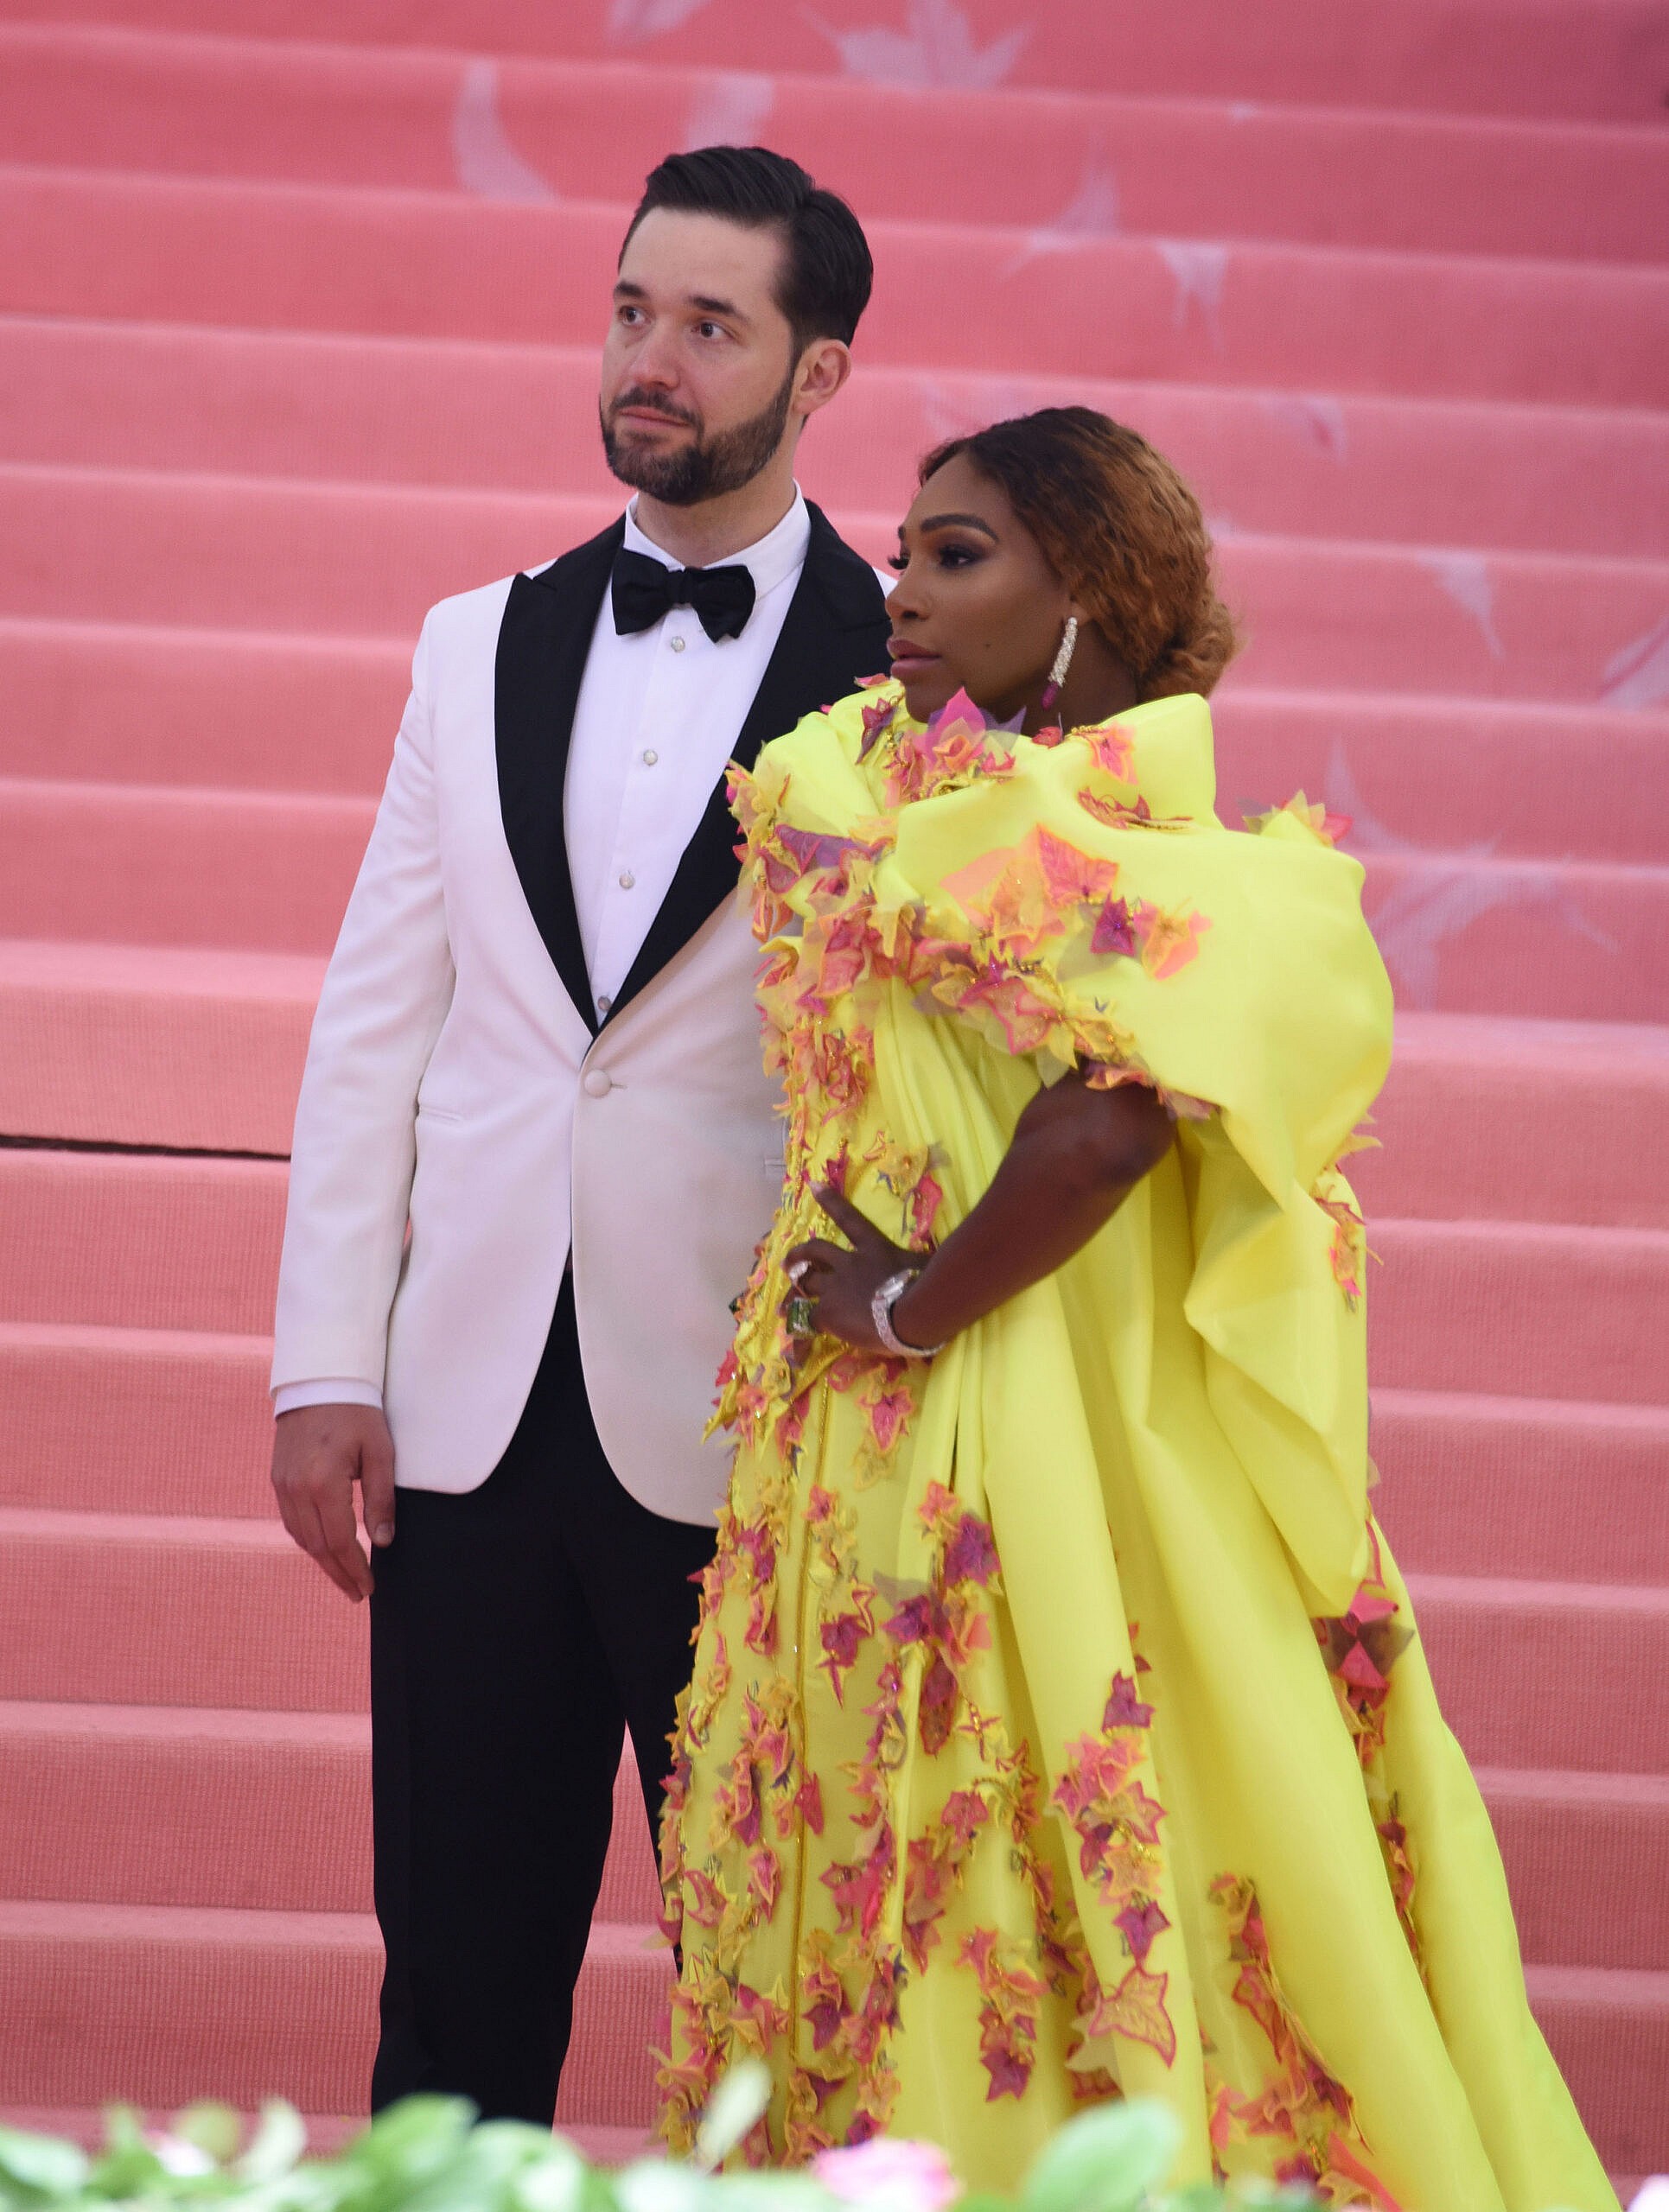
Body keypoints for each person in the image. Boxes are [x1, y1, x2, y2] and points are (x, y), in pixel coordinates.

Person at [657, 407, 1615, 2211]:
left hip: (1014, 1409)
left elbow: (1101, 1129)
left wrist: (914, 1305)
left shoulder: (1126, 842)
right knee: (967, 1822)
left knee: (1015, 1817)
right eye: (903, 550)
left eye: (961, 554)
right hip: (889, 1421)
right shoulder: (888, 787)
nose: (907, 589)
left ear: (1087, 590)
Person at [268, 145, 892, 2124]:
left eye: (713, 325)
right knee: (453, 1976)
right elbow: (382, 1015)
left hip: (759, 1424)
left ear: (821, 374)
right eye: (634, 308)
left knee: (789, 1981)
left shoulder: (908, 677)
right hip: (465, 1418)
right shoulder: (476, 637)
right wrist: (322, 1360)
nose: (655, 358)